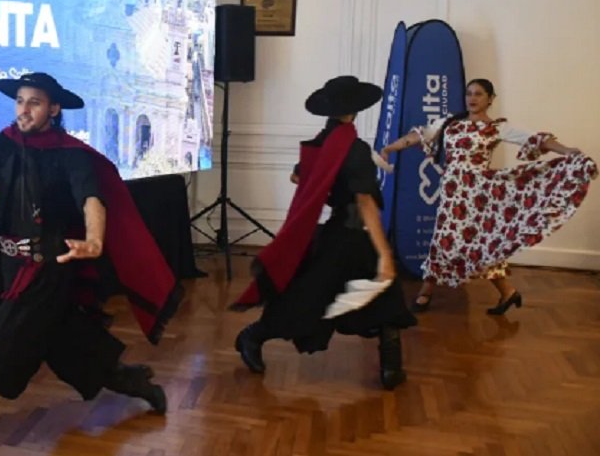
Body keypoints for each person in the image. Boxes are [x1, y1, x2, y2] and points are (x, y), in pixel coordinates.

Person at [0, 72, 182, 453]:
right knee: (69, 345)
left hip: (51, 268)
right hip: (10, 266)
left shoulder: (71, 154)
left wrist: (95, 239)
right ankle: (135, 384)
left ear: (54, 108)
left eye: (34, 102)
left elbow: (91, 199)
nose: (24, 110)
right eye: (19, 101)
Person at [234, 76, 416, 390]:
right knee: (311, 301)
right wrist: (385, 253)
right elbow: (366, 203)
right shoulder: (354, 149)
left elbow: (296, 176)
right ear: (355, 110)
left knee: (375, 299)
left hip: (336, 234)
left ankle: (391, 368)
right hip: (354, 237)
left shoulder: (323, 143)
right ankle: (252, 336)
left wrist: (326, 186)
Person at [379, 78, 596, 314]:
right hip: (453, 192)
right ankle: (505, 293)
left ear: (490, 99)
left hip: (478, 195)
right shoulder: (450, 123)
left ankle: (432, 292)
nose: (472, 98)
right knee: (445, 239)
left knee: (479, 245)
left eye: (479, 94)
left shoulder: (497, 127)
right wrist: (391, 148)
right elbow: (419, 136)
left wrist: (566, 151)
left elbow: (535, 139)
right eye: (469, 93)